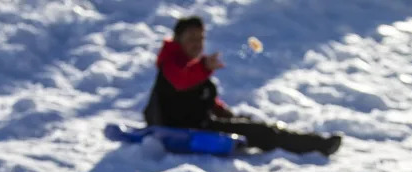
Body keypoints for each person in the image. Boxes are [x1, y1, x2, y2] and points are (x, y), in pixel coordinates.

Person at [143, 16, 343, 156]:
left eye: (201, 39)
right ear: (178, 40)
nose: (198, 44)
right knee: (261, 132)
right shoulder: (172, 63)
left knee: (251, 124)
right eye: (192, 39)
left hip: (199, 123)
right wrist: (204, 67)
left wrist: (228, 115)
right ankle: (318, 146)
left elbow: (203, 99)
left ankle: (311, 142)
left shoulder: (191, 65)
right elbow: (181, 82)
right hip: (189, 129)